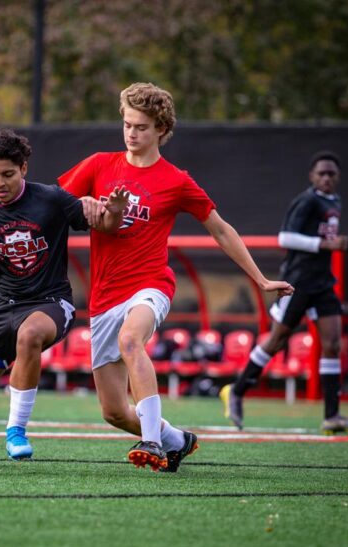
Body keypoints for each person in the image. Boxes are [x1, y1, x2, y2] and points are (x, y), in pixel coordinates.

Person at [59, 82, 294, 472]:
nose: (132, 133)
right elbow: (54, 201)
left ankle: (152, 441)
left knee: (131, 339)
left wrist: (260, 279)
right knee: (114, 412)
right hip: (104, 296)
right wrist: (78, 204)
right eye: (128, 125)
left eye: (143, 127)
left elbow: (220, 229)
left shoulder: (176, 181)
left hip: (151, 285)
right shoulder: (99, 164)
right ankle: (176, 440)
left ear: (162, 131)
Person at [0, 129, 128, 467]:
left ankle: (16, 431)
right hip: (1, 307)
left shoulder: (52, 199)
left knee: (29, 335)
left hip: (51, 302)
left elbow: (105, 224)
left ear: (24, 169)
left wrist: (113, 210)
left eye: (7, 174)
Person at [220, 151, 348, 435]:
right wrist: (327, 246)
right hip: (298, 281)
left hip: (322, 282)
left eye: (331, 174)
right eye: (321, 173)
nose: (326, 178)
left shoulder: (334, 201)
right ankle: (235, 391)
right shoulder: (307, 200)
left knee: (333, 343)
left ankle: (331, 416)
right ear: (312, 176)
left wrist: (333, 245)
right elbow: (285, 237)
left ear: (338, 178)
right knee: (277, 340)